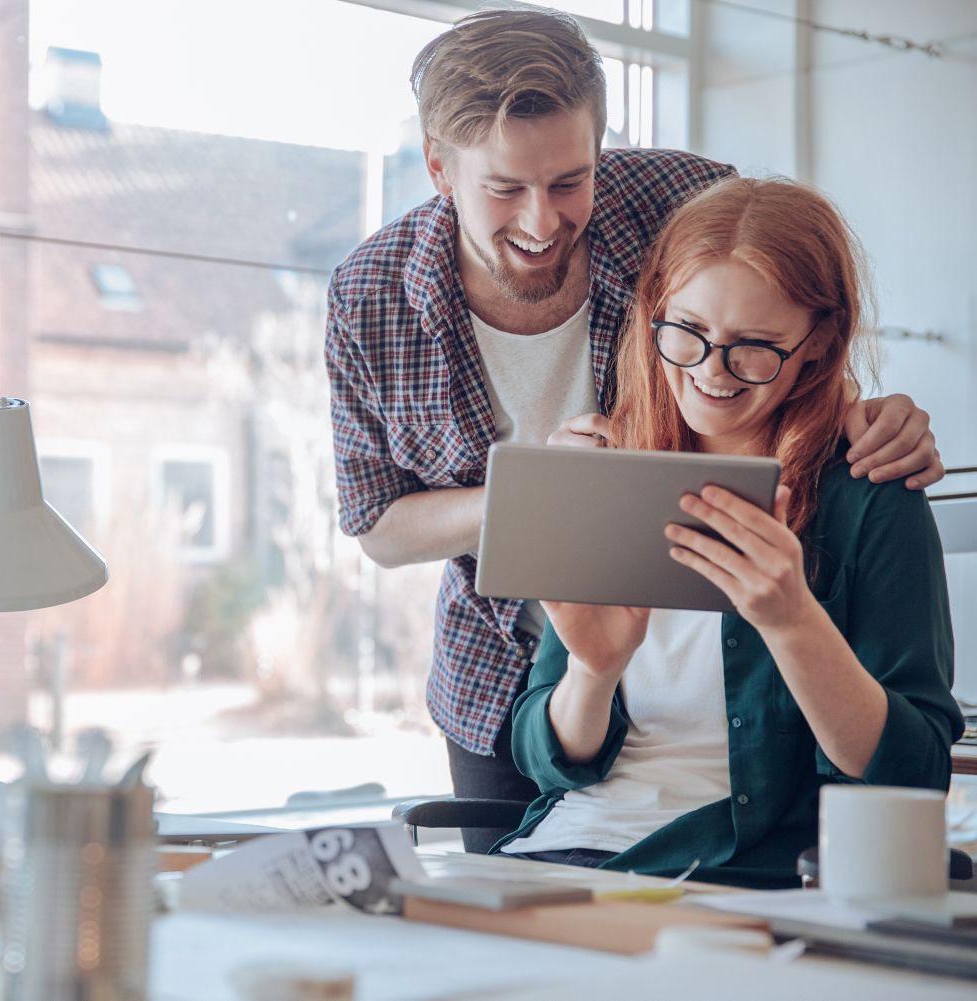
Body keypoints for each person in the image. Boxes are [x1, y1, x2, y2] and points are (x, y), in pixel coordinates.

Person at [323, 8, 945, 852]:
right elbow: (378, 527)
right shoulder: (372, 297)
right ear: (439, 167)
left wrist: (851, 412)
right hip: (512, 662)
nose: (542, 222)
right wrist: (553, 500)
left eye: (570, 181)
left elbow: (773, 266)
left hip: (726, 821)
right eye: (505, 188)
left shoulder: (672, 201)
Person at [494, 177, 963, 888]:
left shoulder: (869, 496)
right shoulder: (605, 468)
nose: (711, 372)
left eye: (755, 347)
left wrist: (792, 620)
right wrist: (594, 670)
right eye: (686, 331)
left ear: (819, 341)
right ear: (654, 308)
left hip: (725, 870)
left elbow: (915, 771)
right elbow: (544, 756)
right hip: (562, 853)